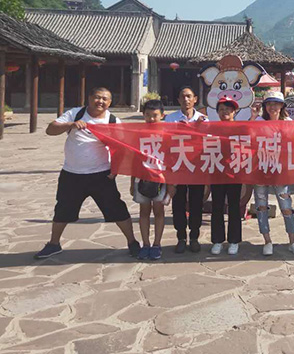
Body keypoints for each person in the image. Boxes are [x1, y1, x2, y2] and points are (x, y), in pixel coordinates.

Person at [34, 87, 140, 259]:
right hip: (72, 174)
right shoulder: (75, 114)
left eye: (105, 99)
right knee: (62, 210)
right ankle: (53, 244)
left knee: (117, 209)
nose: (100, 101)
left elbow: (123, 148)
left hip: (101, 175)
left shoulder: (113, 121)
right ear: (89, 98)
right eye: (97, 97)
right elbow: (50, 129)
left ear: (110, 103)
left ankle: (132, 242)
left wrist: (116, 169)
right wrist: (70, 125)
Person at [254, 91, 294, 256]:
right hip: (261, 169)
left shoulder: (288, 123)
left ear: (282, 106)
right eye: (269, 104)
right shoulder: (258, 122)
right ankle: (267, 241)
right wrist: (252, 118)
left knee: (286, 206)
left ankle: (292, 241)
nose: (272, 107)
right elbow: (248, 137)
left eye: (276, 104)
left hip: (280, 171)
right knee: (261, 206)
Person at [165, 86, 208, 253]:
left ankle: (195, 236)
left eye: (189, 96)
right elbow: (166, 141)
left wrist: (197, 128)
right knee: (178, 203)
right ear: (178, 100)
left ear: (195, 99)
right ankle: (181, 237)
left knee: (196, 203)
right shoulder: (171, 119)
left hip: (197, 167)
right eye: (183, 97)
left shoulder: (204, 120)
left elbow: (208, 142)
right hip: (178, 166)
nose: (186, 100)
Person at [131, 99, 173, 261]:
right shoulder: (138, 134)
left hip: (161, 179)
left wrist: (171, 184)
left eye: (155, 115)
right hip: (141, 179)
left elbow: (171, 159)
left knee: (158, 212)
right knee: (143, 212)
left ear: (162, 115)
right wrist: (132, 182)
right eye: (147, 115)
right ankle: (146, 244)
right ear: (143, 115)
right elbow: (134, 159)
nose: (151, 118)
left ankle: (157, 244)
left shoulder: (167, 135)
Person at [210, 96, 245, 255]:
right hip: (217, 172)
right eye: (222, 109)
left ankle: (234, 241)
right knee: (217, 206)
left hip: (234, 173)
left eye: (228, 109)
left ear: (234, 112)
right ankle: (217, 240)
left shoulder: (240, 129)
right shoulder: (212, 128)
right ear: (217, 112)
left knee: (234, 206)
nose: (225, 112)